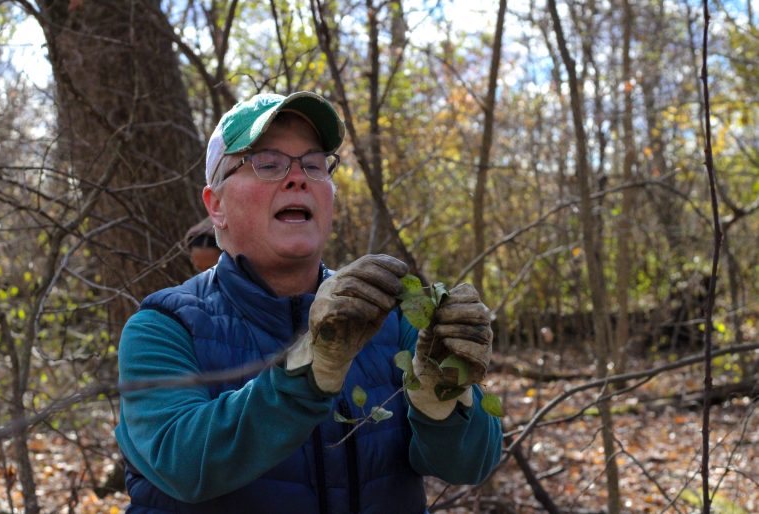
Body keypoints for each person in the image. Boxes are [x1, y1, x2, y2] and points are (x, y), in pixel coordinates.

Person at [115, 91, 502, 514]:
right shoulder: (163, 327)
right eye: (267, 162)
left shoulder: (391, 319)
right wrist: (309, 368)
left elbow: (470, 464)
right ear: (216, 205)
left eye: (314, 164)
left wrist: (446, 397)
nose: (298, 178)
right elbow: (184, 465)